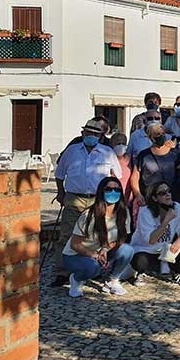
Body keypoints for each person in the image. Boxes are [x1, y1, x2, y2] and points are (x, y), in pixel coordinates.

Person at [52, 119, 122, 287]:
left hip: (97, 200)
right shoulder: (72, 151)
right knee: (66, 235)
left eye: (95, 134)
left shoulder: (107, 152)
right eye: (88, 133)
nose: (91, 136)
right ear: (83, 133)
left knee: (97, 235)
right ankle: (62, 272)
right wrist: (61, 193)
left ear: (100, 136)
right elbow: (59, 174)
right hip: (74, 197)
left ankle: (94, 267)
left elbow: (116, 175)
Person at [62, 177, 134, 298]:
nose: (113, 192)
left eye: (117, 189)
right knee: (93, 267)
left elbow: (121, 238)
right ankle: (76, 279)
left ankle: (113, 280)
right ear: (101, 192)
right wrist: (95, 255)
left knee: (128, 250)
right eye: (108, 189)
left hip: (101, 251)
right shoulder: (89, 215)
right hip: (75, 255)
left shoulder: (124, 212)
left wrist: (105, 249)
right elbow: (75, 244)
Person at [130, 181, 180, 286]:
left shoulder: (177, 207)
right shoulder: (145, 212)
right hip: (146, 249)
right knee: (140, 262)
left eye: (169, 191)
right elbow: (150, 240)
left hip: (166, 249)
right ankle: (141, 273)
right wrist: (165, 222)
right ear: (155, 198)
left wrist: (179, 239)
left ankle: (178, 272)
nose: (168, 194)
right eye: (162, 193)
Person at [130, 122, 180, 207]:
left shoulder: (174, 154)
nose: (161, 136)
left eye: (162, 133)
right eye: (157, 134)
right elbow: (135, 176)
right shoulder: (143, 155)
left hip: (171, 198)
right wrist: (138, 194)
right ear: (150, 137)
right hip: (150, 199)